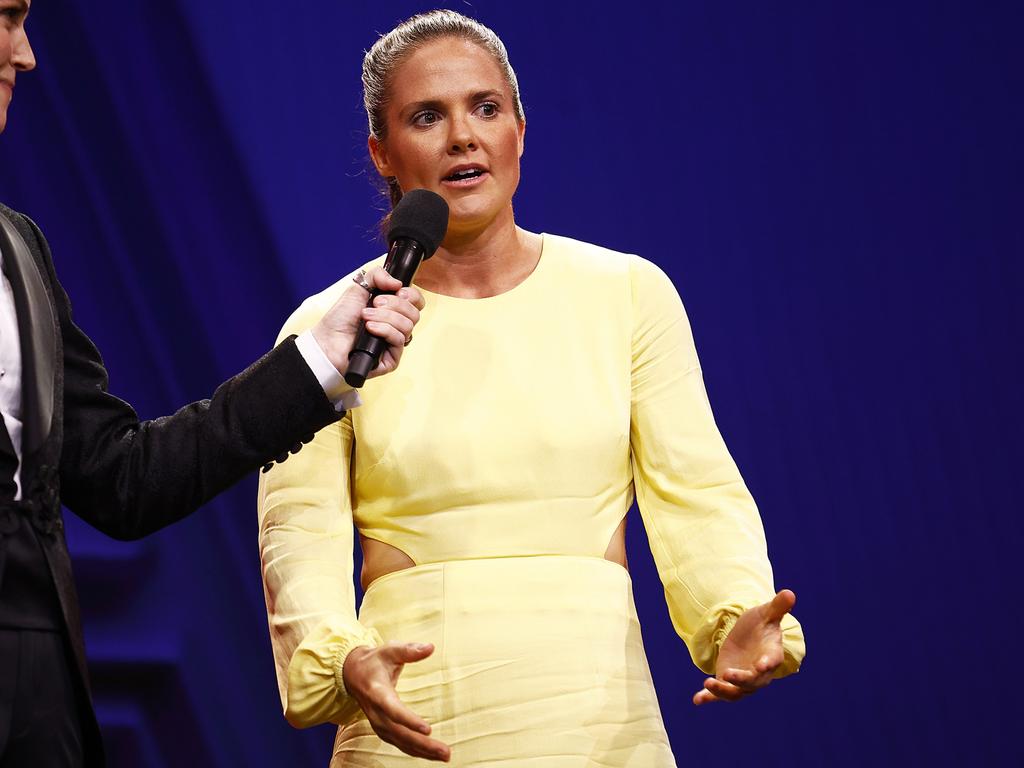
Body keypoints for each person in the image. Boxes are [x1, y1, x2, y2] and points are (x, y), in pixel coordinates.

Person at [258, 9, 806, 767]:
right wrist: (340, 662)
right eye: (427, 116)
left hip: (601, 727)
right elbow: (296, 538)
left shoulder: (627, 293)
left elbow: (699, 494)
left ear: (520, 128)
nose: (462, 137)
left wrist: (736, 615)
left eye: (485, 108)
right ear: (383, 153)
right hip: (414, 725)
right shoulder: (332, 326)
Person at [0, 2, 426, 765]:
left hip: (37, 712)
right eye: (4, 18)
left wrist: (318, 362)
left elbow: (124, 480)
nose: (24, 54)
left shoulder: (18, 251)